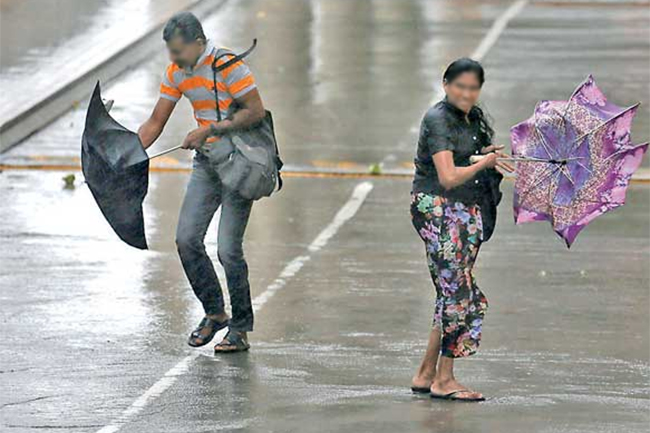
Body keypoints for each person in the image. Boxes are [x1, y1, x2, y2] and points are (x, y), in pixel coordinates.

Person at [137, 12, 266, 353]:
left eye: (178, 51)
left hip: (241, 164)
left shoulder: (228, 67)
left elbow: (256, 111)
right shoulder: (177, 72)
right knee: (186, 239)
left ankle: (239, 328)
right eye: (170, 52)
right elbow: (154, 122)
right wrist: (126, 156)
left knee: (228, 250)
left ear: (198, 43)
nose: (173, 59)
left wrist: (209, 129)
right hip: (208, 165)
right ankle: (215, 312)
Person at [409, 58, 514, 401]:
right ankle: (445, 380)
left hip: (466, 212)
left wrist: (485, 153)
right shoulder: (438, 119)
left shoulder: (470, 118)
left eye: (473, 88)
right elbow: (448, 177)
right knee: (459, 295)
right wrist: (483, 164)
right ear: (446, 84)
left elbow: (465, 154)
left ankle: (426, 373)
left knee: (451, 292)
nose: (467, 94)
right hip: (441, 210)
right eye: (460, 87)